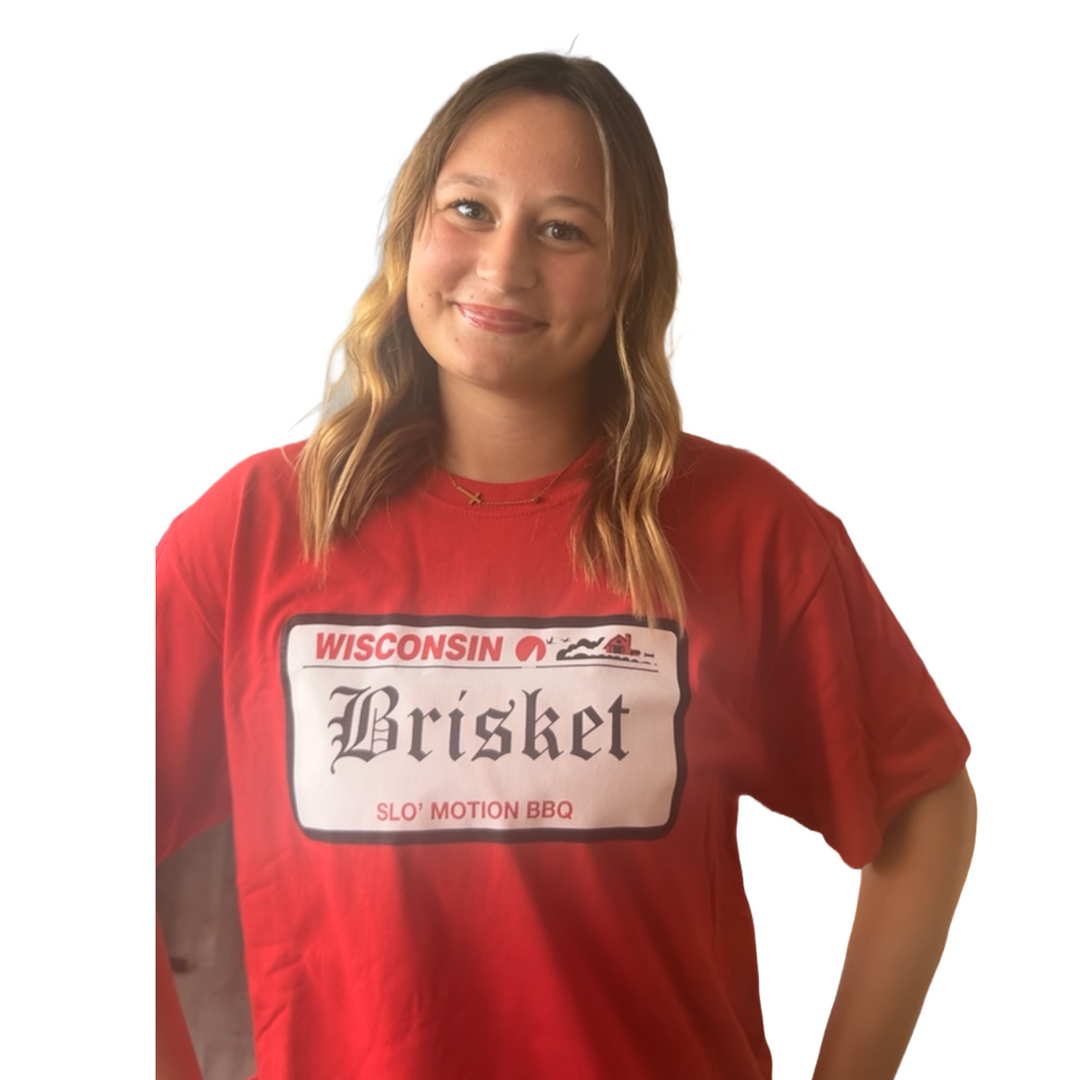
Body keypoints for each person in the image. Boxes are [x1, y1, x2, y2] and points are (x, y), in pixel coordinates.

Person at [156, 52, 976, 1080]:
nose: (504, 268)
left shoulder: (747, 531)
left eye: (562, 229)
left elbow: (923, 803)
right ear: (409, 228)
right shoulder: (249, 536)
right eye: (468, 210)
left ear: (632, 270)